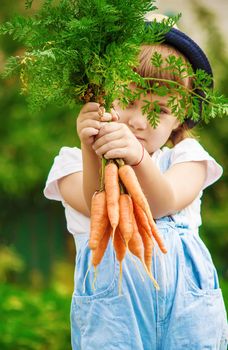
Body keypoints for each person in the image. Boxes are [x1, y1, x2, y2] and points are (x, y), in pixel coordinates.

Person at [44, 14, 228, 350]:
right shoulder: (70, 164)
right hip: (112, 322)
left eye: (159, 110)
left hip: (189, 318)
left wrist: (138, 160)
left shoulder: (187, 158)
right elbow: (94, 201)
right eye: (127, 101)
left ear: (179, 119)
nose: (139, 121)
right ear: (103, 97)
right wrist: (90, 147)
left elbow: (162, 203)